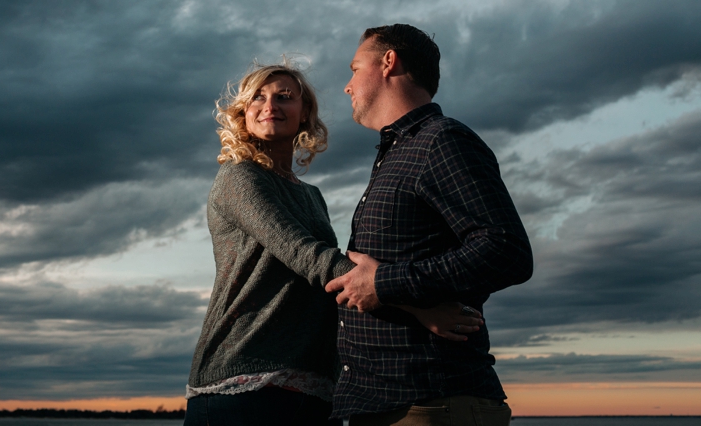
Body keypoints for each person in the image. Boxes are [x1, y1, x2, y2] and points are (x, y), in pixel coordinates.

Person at [184, 61, 485, 426]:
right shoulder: (239, 178)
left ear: (305, 113)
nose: (270, 106)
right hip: (244, 378)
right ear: (243, 113)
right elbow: (309, 257)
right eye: (257, 98)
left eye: (284, 97)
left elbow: (330, 284)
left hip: (315, 385)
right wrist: (419, 308)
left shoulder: (312, 196)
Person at [325, 25, 534, 426]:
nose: (348, 86)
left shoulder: (442, 140)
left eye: (354, 69)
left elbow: (507, 249)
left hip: (433, 404)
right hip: (386, 407)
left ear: (389, 62)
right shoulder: (397, 152)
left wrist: (384, 284)